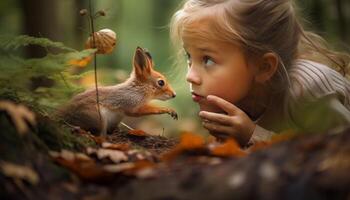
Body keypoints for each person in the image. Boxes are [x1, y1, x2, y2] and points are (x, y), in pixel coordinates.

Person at [170, 0, 350, 146]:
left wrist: (254, 135)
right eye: (189, 56)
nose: (190, 76)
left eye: (208, 59)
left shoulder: (309, 92)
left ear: (264, 67)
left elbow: (339, 155)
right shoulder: (239, 96)